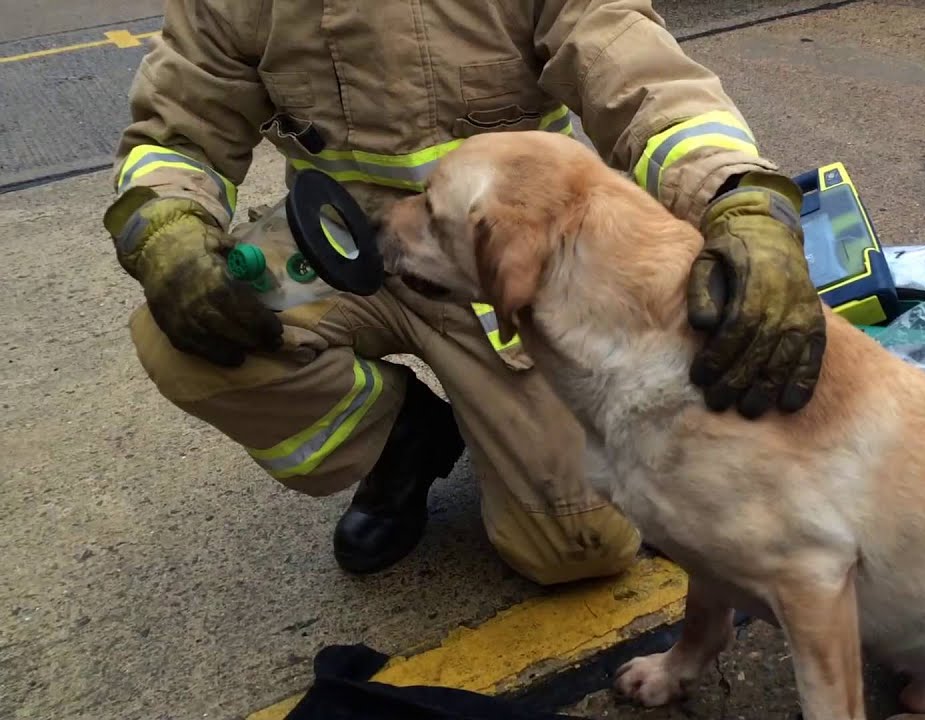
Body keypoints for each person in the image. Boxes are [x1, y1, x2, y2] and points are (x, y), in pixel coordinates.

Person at [103, 0, 827, 585]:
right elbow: (178, 129)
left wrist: (741, 198)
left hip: (482, 272)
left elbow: (645, 79)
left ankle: (497, 428)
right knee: (188, 339)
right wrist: (165, 227)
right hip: (337, 250)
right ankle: (401, 442)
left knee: (578, 549)